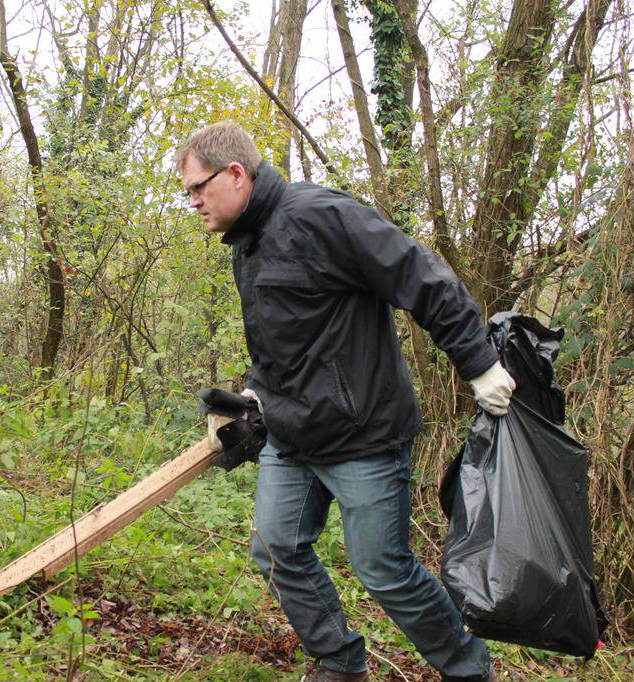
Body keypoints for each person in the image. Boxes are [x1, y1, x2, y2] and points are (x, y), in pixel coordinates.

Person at [176, 122, 513, 682]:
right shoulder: (246, 246)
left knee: (383, 569)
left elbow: (420, 276)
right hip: (293, 434)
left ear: (235, 174)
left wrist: (478, 362)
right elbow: (279, 342)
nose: (191, 202)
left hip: (365, 435)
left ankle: (470, 671)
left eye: (196, 188)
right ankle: (338, 663)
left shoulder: (324, 216)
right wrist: (254, 395)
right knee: (277, 549)